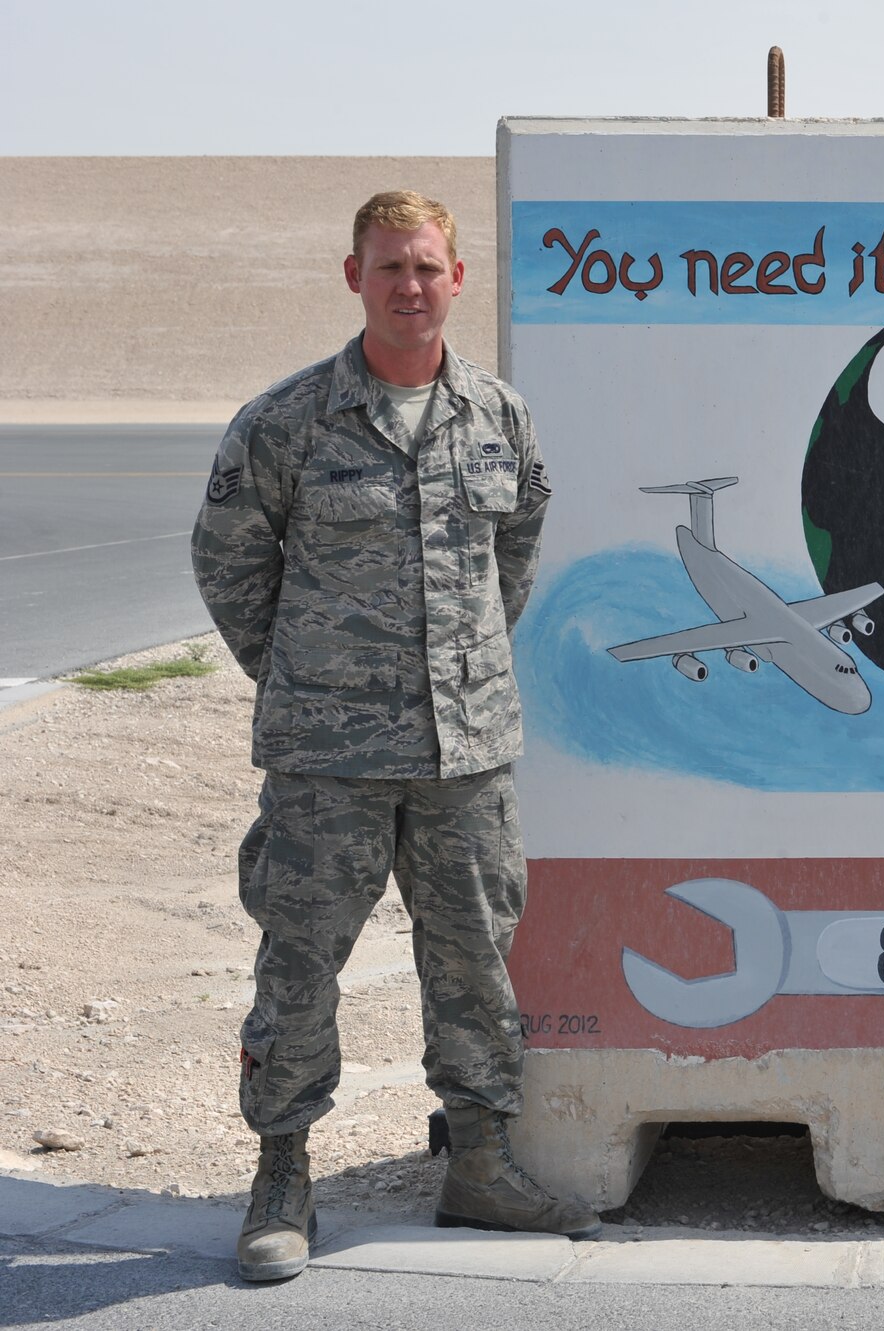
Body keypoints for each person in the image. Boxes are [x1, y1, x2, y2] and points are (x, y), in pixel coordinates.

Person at [192, 191, 597, 1283]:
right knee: (299, 965)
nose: (408, 286)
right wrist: (307, 675)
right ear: (353, 277)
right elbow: (230, 562)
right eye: (387, 269)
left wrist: (460, 666)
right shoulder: (288, 421)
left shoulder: (497, 418)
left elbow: (512, 552)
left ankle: (479, 1159)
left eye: (425, 267)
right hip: (326, 757)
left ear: (457, 278)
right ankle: (281, 1174)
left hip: (464, 756)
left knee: (473, 961)